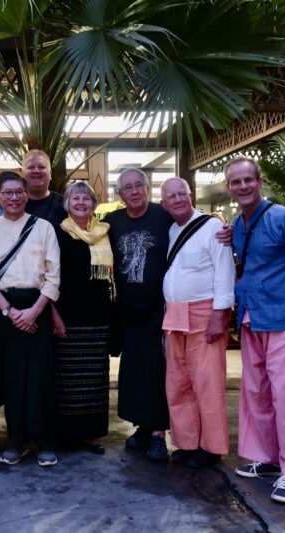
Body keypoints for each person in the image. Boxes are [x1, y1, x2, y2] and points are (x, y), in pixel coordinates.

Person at [225, 157, 285, 504]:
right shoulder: (238, 224)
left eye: (247, 180)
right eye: (236, 182)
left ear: (259, 181)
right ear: (228, 188)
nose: (242, 187)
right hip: (253, 320)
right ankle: (265, 458)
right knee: (257, 393)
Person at [0, 171, 61, 467]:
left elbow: (53, 277)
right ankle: (15, 439)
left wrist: (35, 311)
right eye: (7, 193)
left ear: (27, 195)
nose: (13, 198)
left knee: (40, 376)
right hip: (5, 309)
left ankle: (43, 441)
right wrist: (11, 312)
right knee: (12, 376)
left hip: (37, 306)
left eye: (18, 192)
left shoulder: (44, 228)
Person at [159, 177, 235, 468]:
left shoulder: (213, 227)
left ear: (190, 196)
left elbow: (224, 271)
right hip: (174, 313)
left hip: (205, 314)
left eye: (182, 194)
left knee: (207, 381)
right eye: (171, 196)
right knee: (178, 381)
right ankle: (187, 442)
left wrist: (220, 315)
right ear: (164, 204)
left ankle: (211, 447)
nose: (178, 199)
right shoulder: (171, 230)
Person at [104, 168, 171, 462]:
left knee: (157, 371)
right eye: (127, 188)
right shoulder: (112, 222)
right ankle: (142, 428)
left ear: (148, 188)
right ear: (120, 195)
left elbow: (192, 227)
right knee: (133, 373)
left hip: (159, 308)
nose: (134, 192)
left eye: (138, 186)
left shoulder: (164, 216)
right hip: (127, 310)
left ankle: (158, 434)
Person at [51, 181, 114, 455]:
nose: (81, 203)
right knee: (67, 378)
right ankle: (66, 434)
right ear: (67, 203)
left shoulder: (104, 232)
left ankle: (89, 434)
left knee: (94, 377)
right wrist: (53, 314)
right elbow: (49, 274)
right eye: (75, 198)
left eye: (86, 199)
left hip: (98, 315)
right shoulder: (58, 232)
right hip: (68, 314)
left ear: (93, 204)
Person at [23, 149, 67, 226]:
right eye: (30, 167)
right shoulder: (9, 205)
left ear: (50, 173)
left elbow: (92, 223)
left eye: (41, 167)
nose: (36, 170)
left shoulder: (66, 205)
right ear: (23, 174)